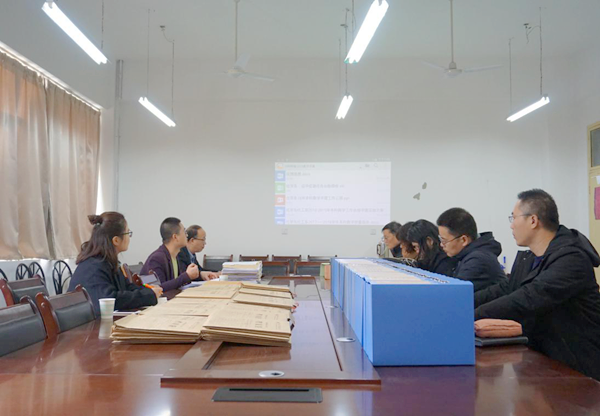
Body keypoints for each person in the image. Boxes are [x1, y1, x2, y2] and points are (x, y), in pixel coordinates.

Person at [475, 189, 600, 380]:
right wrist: (461, 300)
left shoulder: (572, 259)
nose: (511, 225)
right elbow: (505, 289)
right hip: (543, 360)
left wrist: (470, 315)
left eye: (514, 218)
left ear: (533, 220)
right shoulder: (530, 257)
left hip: (578, 366)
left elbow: (528, 297)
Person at [69, 212, 161, 315]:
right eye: (128, 233)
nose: (129, 237)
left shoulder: (107, 261)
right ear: (116, 240)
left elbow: (127, 287)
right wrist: (148, 296)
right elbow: (110, 300)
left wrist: (150, 291)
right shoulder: (94, 266)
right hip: (87, 324)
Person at [437, 207, 506, 292]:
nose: (441, 245)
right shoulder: (466, 255)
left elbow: (456, 294)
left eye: (444, 241)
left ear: (463, 240)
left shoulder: (477, 260)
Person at [141, 217, 201, 291]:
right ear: (175, 237)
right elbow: (159, 289)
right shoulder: (156, 259)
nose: (187, 235)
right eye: (184, 232)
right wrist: (186, 276)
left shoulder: (176, 256)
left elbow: (176, 283)